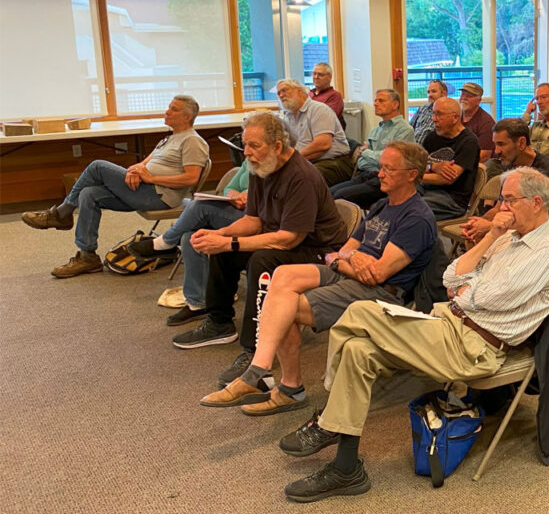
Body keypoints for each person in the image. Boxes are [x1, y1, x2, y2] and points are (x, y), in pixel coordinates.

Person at [276, 166, 549, 503]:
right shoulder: (507, 237)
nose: (501, 209)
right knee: (358, 351)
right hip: (452, 324)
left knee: (359, 311)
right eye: (501, 200)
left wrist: (467, 292)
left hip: (475, 347)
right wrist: (489, 239)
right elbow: (450, 278)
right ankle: (346, 469)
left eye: (508, 201)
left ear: (536, 202)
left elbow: (486, 298)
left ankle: (329, 421)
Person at [198, 142, 437, 415]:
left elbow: (377, 274)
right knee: (281, 276)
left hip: (382, 293)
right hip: (349, 275)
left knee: (282, 306)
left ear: (412, 174)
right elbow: (342, 252)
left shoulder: (416, 218)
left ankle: (286, 387)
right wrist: (348, 260)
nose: (380, 174)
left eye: (389, 169)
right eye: (381, 167)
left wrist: (344, 260)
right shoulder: (383, 205)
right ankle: (262, 370)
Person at [170, 113, 348, 390]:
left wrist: (229, 242)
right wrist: (219, 235)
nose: (247, 153)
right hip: (285, 240)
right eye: (245, 145)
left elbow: (289, 240)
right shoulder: (260, 168)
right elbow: (253, 222)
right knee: (224, 250)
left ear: (278, 146)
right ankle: (219, 322)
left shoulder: (301, 176)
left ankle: (255, 351)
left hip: (320, 251)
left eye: (254, 146)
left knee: (263, 260)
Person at [22, 95, 209, 278]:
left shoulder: (192, 141)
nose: (167, 111)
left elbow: (191, 179)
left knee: (97, 166)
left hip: (159, 196)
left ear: (187, 117)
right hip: (142, 190)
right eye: (168, 107)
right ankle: (88, 256)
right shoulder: (168, 139)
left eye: (173, 109)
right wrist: (134, 171)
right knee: (89, 193)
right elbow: (144, 164)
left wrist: (151, 179)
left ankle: (62, 213)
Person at [129, 159, 250, 326]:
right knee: (190, 237)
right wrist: (233, 196)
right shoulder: (249, 161)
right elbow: (230, 187)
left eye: (252, 144)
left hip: (255, 217)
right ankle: (197, 303)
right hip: (236, 210)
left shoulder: (275, 165)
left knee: (200, 206)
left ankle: (164, 243)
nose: (246, 151)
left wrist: (250, 196)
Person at [462, 117, 549, 252]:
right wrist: (478, 224)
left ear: (521, 143)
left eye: (501, 144)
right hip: (525, 226)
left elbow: (533, 222)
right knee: (476, 239)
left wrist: (490, 227)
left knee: (508, 250)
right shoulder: (511, 165)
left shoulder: (546, 173)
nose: (496, 151)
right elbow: (499, 208)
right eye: (495, 144)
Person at [330, 89, 414, 208]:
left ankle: (354, 225)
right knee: (328, 193)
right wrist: (371, 156)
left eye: (381, 100)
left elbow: (390, 161)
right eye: (375, 100)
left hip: (384, 180)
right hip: (364, 175)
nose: (375, 103)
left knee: (340, 197)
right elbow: (362, 161)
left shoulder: (404, 130)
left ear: (395, 104)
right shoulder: (376, 130)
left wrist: (365, 151)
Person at [276, 78, 351, 186]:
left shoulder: (319, 110)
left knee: (300, 179)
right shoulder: (288, 117)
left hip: (334, 162)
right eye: (279, 93)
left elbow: (323, 144)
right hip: (308, 161)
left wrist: (292, 159)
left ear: (299, 90)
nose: (281, 95)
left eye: (284, 90)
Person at [419, 96, 481, 220]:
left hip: (452, 199)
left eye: (439, 115)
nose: (434, 119)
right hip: (427, 190)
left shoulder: (469, 142)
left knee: (411, 209)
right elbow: (418, 166)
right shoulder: (432, 137)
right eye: (433, 114)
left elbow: (447, 179)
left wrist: (414, 177)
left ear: (455, 118)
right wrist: (433, 166)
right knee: (393, 199)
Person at [458, 82, 496, 162]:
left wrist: (460, 165)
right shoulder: (456, 117)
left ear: (479, 100)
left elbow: (484, 156)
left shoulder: (487, 123)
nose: (463, 98)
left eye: (468, 96)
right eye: (462, 95)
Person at [308, 62, 347, 128]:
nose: (316, 77)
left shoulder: (334, 96)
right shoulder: (309, 94)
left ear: (329, 77)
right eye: (314, 74)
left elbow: (325, 118)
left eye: (320, 75)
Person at [410, 79, 447, 144]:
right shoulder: (423, 108)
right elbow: (410, 128)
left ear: (443, 94)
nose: (430, 95)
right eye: (428, 92)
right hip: (413, 148)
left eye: (433, 91)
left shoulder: (448, 111)